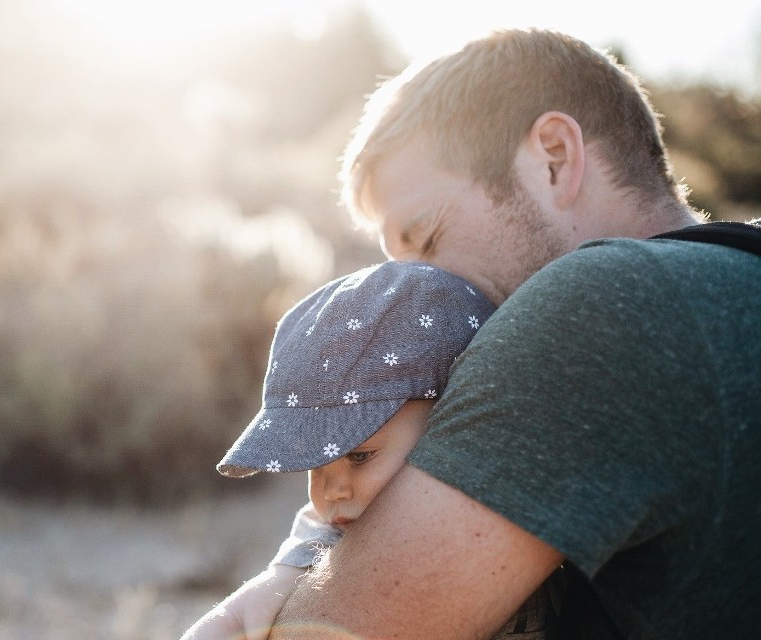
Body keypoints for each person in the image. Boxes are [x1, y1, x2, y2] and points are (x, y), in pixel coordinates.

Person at [268, 28, 761, 639]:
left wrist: (290, 575)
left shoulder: (597, 305)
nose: (413, 293)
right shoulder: (734, 282)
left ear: (554, 157)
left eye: (425, 238)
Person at [181, 261, 561, 640]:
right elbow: (299, 550)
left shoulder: (517, 492)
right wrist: (279, 579)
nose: (332, 491)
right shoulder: (337, 531)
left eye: (359, 456)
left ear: (449, 416)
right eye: (315, 466)